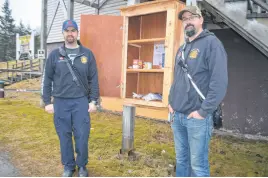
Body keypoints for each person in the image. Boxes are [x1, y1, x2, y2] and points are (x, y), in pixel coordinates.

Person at [168, 6, 228, 177]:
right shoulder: (182, 49)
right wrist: (171, 102)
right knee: (181, 160)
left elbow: (220, 83)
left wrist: (203, 112)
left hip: (197, 118)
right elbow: (177, 79)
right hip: (177, 116)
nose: (188, 21)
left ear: (201, 20)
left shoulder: (212, 44)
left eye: (192, 17)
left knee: (198, 166)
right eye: (184, 19)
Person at [41, 19, 100, 177]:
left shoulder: (87, 54)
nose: (70, 33)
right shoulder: (55, 55)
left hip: (80, 101)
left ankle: (82, 166)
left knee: (82, 135)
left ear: (77, 33)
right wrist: (47, 102)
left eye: (73, 30)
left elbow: (93, 79)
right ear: (63, 33)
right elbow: (47, 79)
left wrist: (93, 101)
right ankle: (68, 166)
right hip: (60, 102)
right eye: (67, 31)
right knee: (64, 135)